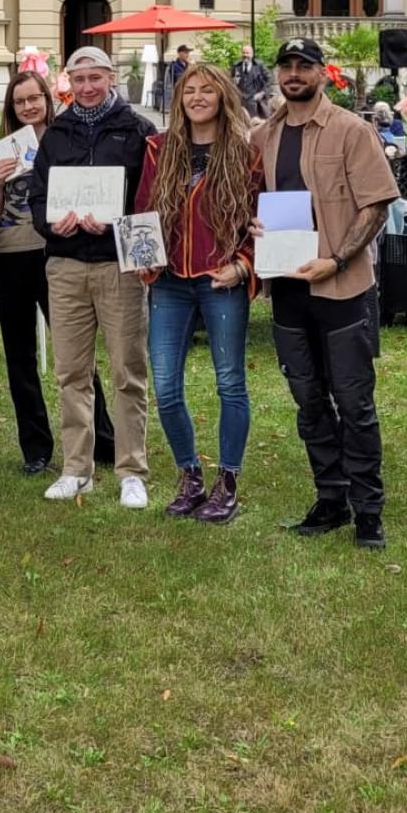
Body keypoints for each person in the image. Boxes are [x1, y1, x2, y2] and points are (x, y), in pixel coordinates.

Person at [250, 38, 398, 550]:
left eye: (304, 66)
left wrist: (335, 260)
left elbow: (375, 206)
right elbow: (252, 199)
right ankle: (331, 498)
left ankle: (368, 510)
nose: (294, 74)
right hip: (288, 287)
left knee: (354, 403)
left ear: (321, 73)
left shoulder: (351, 130)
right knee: (309, 401)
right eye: (286, 66)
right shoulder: (264, 135)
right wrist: (252, 223)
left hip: (342, 287)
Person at [135, 64, 263, 523]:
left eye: (207, 90)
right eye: (189, 90)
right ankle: (190, 476)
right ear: (178, 99)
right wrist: (144, 256)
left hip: (220, 280)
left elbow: (260, 221)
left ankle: (227, 482)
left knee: (230, 382)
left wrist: (242, 265)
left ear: (223, 96)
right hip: (169, 282)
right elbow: (143, 211)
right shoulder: (159, 148)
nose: (197, 97)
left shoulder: (245, 155)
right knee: (166, 386)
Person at [27, 46, 152, 507]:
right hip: (65, 266)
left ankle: (131, 471)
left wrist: (117, 225)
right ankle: (76, 469)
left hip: (118, 266)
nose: (87, 87)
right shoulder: (56, 133)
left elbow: (149, 199)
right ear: (68, 83)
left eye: (95, 78)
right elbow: (38, 196)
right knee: (71, 373)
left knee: (127, 371)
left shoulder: (137, 130)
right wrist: (50, 224)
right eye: (78, 80)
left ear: (110, 77)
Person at [0, 70, 116, 476]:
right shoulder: (2, 148)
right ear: (11, 108)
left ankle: (102, 438)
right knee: (19, 356)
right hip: (9, 255)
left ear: (47, 99)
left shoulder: (67, 139)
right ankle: (35, 447)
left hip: (56, 255)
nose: (28, 106)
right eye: (19, 101)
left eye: (34, 98)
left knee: (75, 355)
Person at [231, 44, 271, 120]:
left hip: (255, 101)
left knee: (256, 122)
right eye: (243, 53)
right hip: (240, 101)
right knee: (240, 122)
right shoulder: (236, 66)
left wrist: (262, 92)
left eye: (247, 53)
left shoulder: (259, 66)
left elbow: (270, 79)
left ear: (252, 55)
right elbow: (230, 80)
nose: (245, 55)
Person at [163, 44, 191, 110]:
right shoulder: (174, 66)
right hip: (179, 92)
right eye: (185, 53)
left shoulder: (187, 65)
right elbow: (179, 78)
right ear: (179, 54)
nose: (187, 55)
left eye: (188, 53)